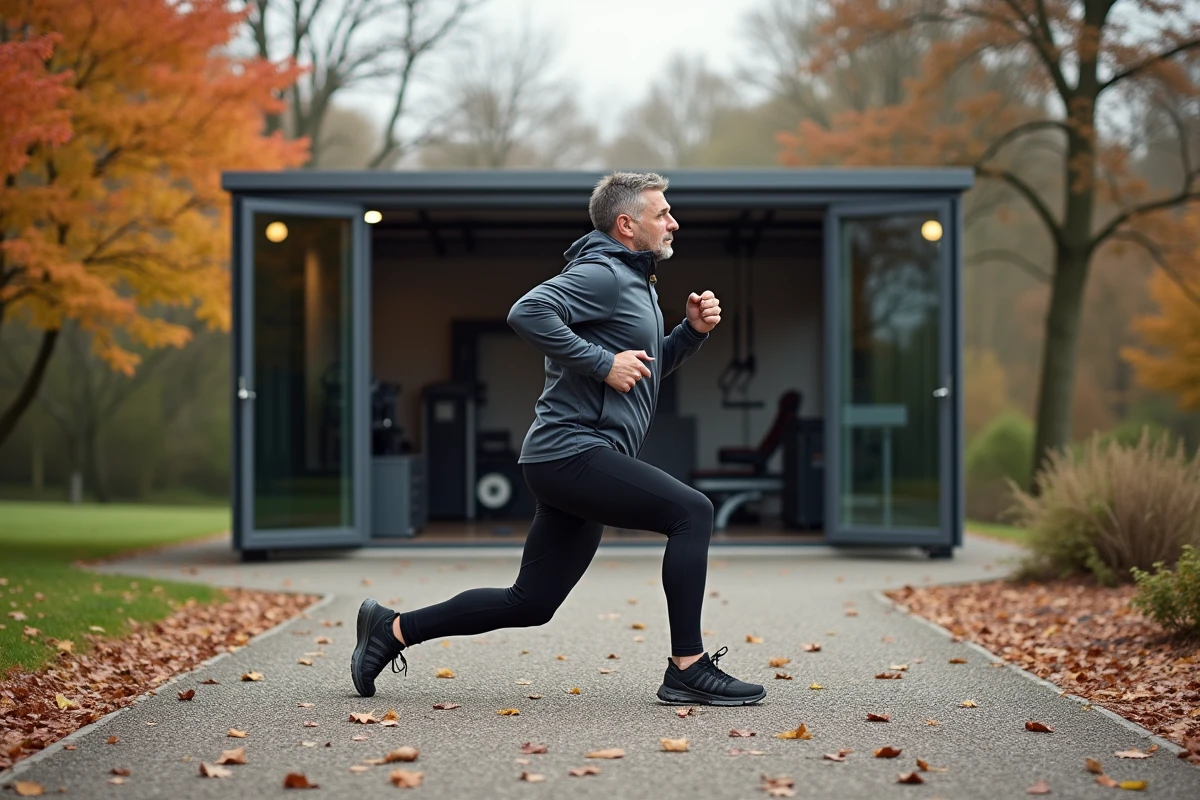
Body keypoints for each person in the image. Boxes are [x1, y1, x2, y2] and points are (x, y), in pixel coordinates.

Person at [351, 171, 765, 706]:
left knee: (531, 603)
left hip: (573, 456)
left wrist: (689, 334)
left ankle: (392, 629)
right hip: (573, 450)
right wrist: (602, 363)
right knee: (693, 512)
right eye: (661, 213)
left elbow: (642, 369)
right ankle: (687, 666)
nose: (673, 222)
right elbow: (527, 312)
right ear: (626, 224)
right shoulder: (604, 274)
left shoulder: (633, 280)